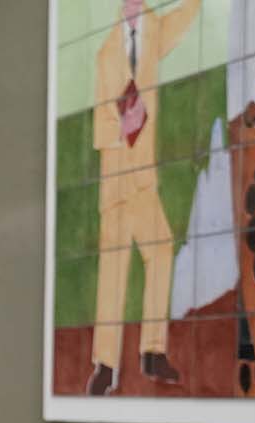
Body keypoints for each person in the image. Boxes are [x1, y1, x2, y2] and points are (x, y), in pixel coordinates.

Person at [85, 0, 201, 394]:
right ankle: (105, 364)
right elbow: (99, 127)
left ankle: (153, 351)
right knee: (113, 271)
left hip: (144, 180)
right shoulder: (105, 55)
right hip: (117, 182)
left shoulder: (153, 31)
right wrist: (123, 123)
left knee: (161, 249)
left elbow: (183, 19)